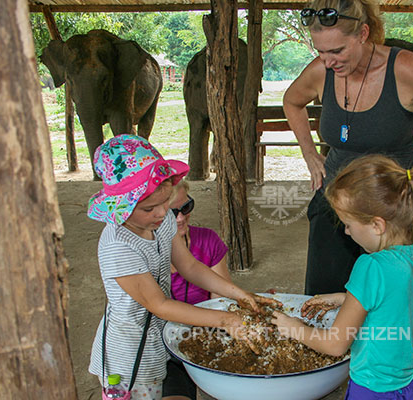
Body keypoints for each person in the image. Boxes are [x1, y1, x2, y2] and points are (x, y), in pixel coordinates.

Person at [283, 0, 413, 295]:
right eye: (320, 52)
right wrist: (309, 153)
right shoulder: (322, 70)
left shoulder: (405, 69)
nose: (328, 61)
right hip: (334, 203)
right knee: (324, 301)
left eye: (337, 51)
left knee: (386, 302)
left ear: (362, 34)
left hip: (392, 211)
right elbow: (292, 101)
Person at [86, 135, 276, 400]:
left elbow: (188, 265)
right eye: (150, 208)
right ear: (121, 207)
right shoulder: (118, 246)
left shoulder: (160, 221)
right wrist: (227, 319)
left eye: (166, 202)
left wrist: (239, 295)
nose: (162, 214)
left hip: (159, 335)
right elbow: (159, 304)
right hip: (130, 354)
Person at [272, 154, 413, 399]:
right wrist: (345, 298)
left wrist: (294, 328)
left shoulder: (371, 266)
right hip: (409, 383)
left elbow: (335, 344)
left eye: (348, 224)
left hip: (374, 388)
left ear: (377, 225)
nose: (347, 232)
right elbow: (394, 303)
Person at [161, 180, 233, 399]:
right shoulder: (146, 250)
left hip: (205, 335)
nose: (181, 218)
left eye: (186, 208)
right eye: (172, 213)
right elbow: (157, 308)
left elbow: (220, 302)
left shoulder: (208, 240)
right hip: (161, 347)